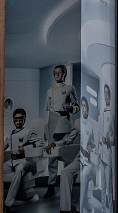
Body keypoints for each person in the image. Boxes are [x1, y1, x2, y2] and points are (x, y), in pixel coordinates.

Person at [44, 64, 79, 199]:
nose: (57, 74)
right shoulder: (49, 91)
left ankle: (68, 187)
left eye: (60, 72)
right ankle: (51, 186)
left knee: (67, 157)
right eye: (55, 73)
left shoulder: (70, 88)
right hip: (53, 125)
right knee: (51, 158)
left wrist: (71, 108)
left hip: (66, 125)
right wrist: (46, 129)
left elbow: (77, 107)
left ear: (64, 74)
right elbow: (46, 112)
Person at [3, 108, 44, 213]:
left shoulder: (28, 132)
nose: (18, 121)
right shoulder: (11, 134)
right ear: (13, 120)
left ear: (24, 119)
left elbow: (41, 142)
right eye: (16, 119)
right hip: (11, 161)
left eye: (21, 119)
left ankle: (7, 204)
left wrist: (25, 148)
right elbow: (3, 146)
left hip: (23, 161)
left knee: (19, 170)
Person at [60, 96, 95, 213]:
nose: (83, 108)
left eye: (85, 106)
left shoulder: (94, 124)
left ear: (88, 109)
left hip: (92, 161)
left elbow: (98, 143)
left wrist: (93, 147)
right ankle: (65, 209)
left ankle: (81, 208)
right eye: (82, 106)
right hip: (81, 157)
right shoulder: (78, 123)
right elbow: (69, 139)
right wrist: (55, 144)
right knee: (65, 172)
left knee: (85, 175)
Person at [99, 84, 114, 213]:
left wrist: (110, 140)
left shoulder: (113, 113)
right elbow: (100, 135)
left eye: (107, 93)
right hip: (102, 154)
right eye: (104, 93)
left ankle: (110, 208)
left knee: (109, 185)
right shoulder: (102, 112)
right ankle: (103, 208)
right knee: (103, 184)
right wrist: (98, 152)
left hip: (109, 154)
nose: (106, 95)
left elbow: (115, 137)